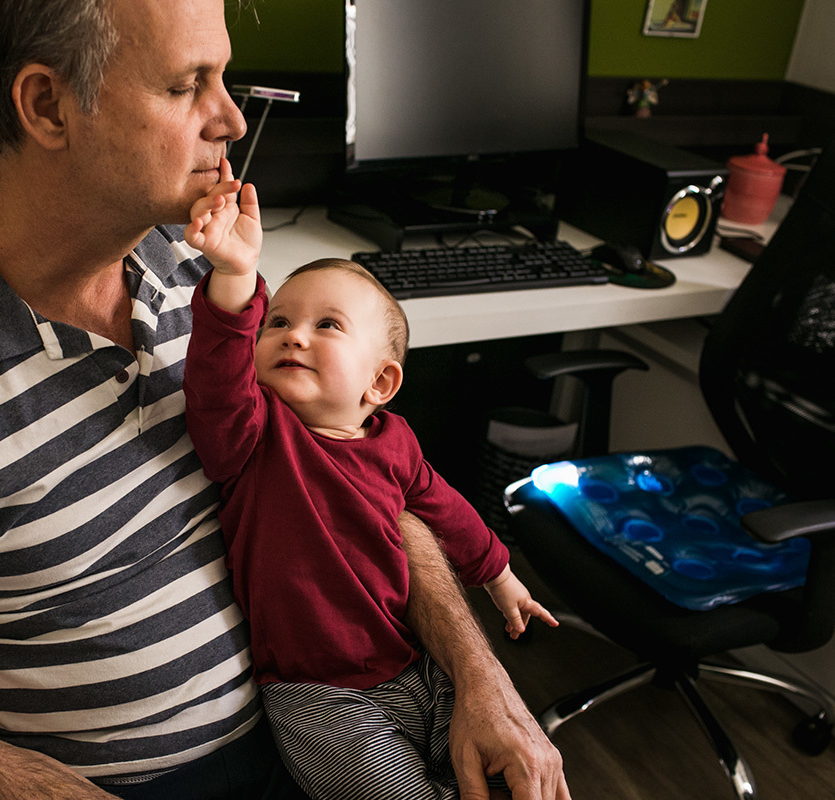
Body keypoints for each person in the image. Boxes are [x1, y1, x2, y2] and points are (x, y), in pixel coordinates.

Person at [0, 0, 570, 798]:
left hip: (331, 717)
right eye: (188, 84)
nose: (230, 117)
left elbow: (360, 478)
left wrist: (479, 676)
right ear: (48, 106)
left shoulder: (206, 273)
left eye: (225, 77)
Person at [181, 160, 559, 799]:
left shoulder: (396, 443)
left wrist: (501, 580)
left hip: (415, 665)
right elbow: (214, 378)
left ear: (379, 383)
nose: (294, 334)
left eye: (327, 325)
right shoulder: (253, 433)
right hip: (321, 698)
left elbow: (449, 514)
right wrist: (237, 277)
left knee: (496, 781)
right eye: (279, 323)